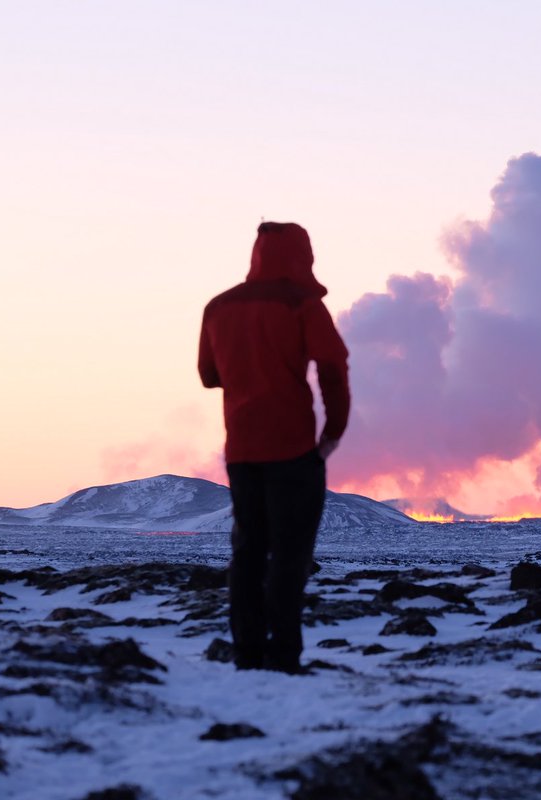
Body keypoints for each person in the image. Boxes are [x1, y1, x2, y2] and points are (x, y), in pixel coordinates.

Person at [198, 221, 350, 673]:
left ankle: (247, 653)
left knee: (247, 552)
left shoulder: (218, 307)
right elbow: (333, 367)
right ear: (303, 255)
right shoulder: (303, 304)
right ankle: (283, 656)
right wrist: (333, 433)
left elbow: (209, 375)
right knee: (290, 554)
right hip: (294, 449)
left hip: (242, 450)